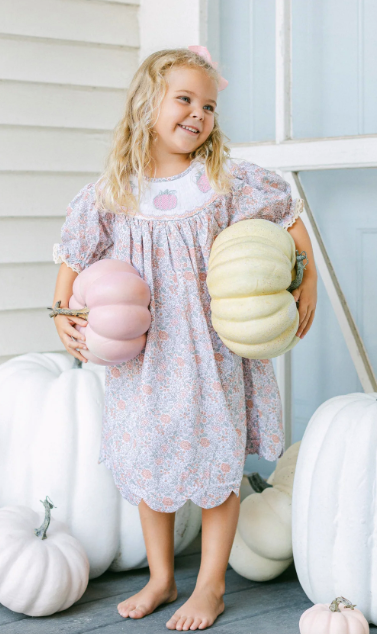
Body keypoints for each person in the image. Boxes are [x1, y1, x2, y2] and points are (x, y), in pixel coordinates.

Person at [52, 46, 317, 631]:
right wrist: (61, 312)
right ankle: (162, 576)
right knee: (151, 465)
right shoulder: (116, 190)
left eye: (210, 106)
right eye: (185, 99)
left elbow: (287, 212)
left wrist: (309, 278)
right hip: (144, 358)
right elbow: (74, 251)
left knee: (216, 469)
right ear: (148, 104)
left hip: (210, 353)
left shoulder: (222, 180)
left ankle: (212, 586)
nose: (199, 114)